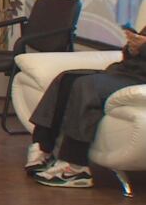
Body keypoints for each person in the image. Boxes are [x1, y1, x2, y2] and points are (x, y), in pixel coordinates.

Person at [25, 24, 146, 188]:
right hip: (124, 72)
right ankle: (43, 147)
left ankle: (76, 167)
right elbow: (130, 56)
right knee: (67, 79)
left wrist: (143, 46)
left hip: (139, 80)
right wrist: (132, 48)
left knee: (86, 86)